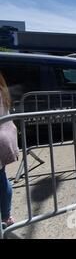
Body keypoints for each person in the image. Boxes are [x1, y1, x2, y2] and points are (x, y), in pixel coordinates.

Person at [0, 72, 16, 229]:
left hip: (1, 140)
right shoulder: (2, 88)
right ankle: (6, 215)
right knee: (2, 177)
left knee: (1, 179)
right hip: (4, 138)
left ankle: (6, 215)